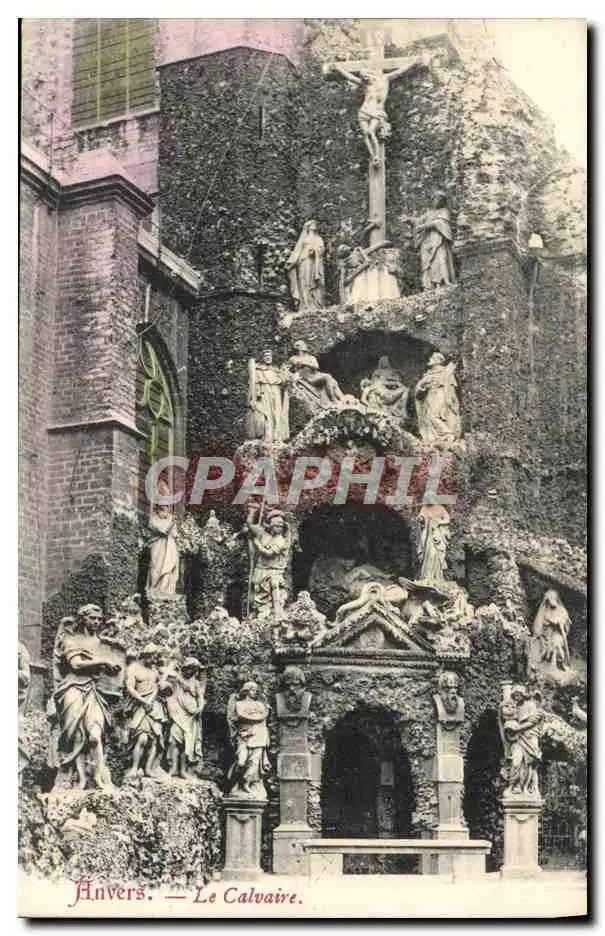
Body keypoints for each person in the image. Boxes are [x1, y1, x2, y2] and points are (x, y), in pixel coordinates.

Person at [51, 604, 121, 790]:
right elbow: (76, 664)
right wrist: (104, 661)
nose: (97, 622)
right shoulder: (70, 639)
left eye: (99, 619)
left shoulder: (102, 643)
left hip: (95, 690)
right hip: (73, 687)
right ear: (83, 619)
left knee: (95, 736)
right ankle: (73, 776)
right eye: (92, 618)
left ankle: (99, 777)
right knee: (74, 732)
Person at [330, 61, 425, 166]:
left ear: (371, 74)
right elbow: (350, 77)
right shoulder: (365, 85)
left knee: (371, 131)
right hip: (364, 111)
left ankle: (377, 156)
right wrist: (339, 68)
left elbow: (399, 72)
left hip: (377, 111)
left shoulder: (385, 79)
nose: (365, 79)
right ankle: (373, 156)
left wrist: (413, 63)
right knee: (365, 134)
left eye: (366, 76)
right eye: (363, 77)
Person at [124, 644, 171, 780]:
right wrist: (143, 701)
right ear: (146, 656)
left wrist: (161, 690)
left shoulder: (154, 670)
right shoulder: (133, 668)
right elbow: (130, 688)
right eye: (153, 657)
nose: (155, 660)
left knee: (155, 740)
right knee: (142, 738)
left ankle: (149, 768)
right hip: (140, 706)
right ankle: (134, 767)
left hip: (155, 707)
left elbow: (158, 686)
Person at [402, 191, 456, 290]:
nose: (436, 201)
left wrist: (424, 226)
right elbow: (418, 221)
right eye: (435, 199)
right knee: (426, 262)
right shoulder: (429, 213)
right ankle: (428, 285)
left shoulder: (444, 211)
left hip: (438, 238)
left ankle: (445, 281)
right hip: (427, 240)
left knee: (440, 259)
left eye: (439, 199)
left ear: (442, 201)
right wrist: (409, 219)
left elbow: (439, 222)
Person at [226, 681, 270, 797]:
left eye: (256, 690)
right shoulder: (239, 704)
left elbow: (264, 717)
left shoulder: (260, 705)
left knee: (254, 763)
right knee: (241, 761)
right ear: (246, 691)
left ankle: (247, 783)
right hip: (244, 736)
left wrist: (253, 717)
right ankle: (236, 782)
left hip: (258, 735)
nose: (255, 692)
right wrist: (257, 717)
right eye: (253, 690)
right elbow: (241, 715)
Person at [246, 508, 291, 619]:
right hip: (261, 567)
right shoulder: (263, 534)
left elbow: (269, 553)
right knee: (256, 586)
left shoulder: (281, 540)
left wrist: (257, 544)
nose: (279, 528)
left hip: (274, 569)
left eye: (281, 526)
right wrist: (252, 511)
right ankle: (257, 610)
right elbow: (250, 524)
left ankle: (276, 611)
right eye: (276, 525)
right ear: (270, 525)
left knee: (274, 585)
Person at [166, 657, 206, 779]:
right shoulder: (177, 679)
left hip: (191, 715)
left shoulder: (196, 683)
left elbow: (200, 698)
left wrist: (200, 708)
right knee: (174, 740)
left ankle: (183, 770)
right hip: (178, 712)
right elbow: (167, 675)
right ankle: (173, 768)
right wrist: (174, 665)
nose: (189, 672)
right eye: (188, 669)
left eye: (192, 670)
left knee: (186, 743)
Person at [414, 352, 462, 443]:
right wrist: (421, 389)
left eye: (432, 358)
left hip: (439, 394)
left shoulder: (445, 372)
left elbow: (450, 386)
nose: (429, 359)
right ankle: (435, 438)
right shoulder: (428, 374)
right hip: (429, 397)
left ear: (438, 361)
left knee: (433, 415)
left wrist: (450, 399)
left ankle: (447, 433)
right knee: (427, 417)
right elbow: (419, 388)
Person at [246, 350, 290, 443]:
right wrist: (256, 395)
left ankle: (277, 437)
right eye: (266, 356)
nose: (268, 357)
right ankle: (267, 436)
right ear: (262, 358)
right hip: (265, 392)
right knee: (267, 414)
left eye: (270, 356)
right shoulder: (258, 369)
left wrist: (285, 375)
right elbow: (254, 383)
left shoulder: (276, 369)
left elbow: (283, 382)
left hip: (276, 391)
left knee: (277, 413)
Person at [288, 340, 346, 407]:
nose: (299, 349)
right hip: (307, 378)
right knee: (327, 377)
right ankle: (333, 400)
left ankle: (342, 398)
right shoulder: (293, 358)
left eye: (299, 346)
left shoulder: (311, 357)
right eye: (297, 347)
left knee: (332, 380)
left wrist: (305, 363)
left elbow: (316, 366)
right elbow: (288, 369)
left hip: (315, 375)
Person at [146, 478, 179, 595]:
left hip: (170, 546)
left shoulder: (170, 518)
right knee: (156, 567)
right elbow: (163, 531)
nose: (166, 507)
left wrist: (173, 526)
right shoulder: (154, 519)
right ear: (159, 505)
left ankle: (165, 591)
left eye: (167, 505)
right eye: (163, 505)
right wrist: (172, 523)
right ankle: (154, 590)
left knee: (168, 567)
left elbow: (175, 534)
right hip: (158, 545)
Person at [286, 221, 326, 310]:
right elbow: (297, 251)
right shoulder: (304, 238)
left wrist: (315, 251)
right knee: (304, 282)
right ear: (308, 227)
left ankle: (314, 305)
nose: (314, 225)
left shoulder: (319, 238)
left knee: (312, 282)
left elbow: (322, 250)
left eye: (315, 224)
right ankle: (305, 304)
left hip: (314, 263)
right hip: (303, 261)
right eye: (312, 224)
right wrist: (292, 262)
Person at [532, 589, 571, 670]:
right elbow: (540, 623)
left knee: (556, 642)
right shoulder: (545, 610)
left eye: (553, 598)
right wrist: (548, 623)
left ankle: (559, 662)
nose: (552, 601)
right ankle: (544, 660)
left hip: (557, 632)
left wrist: (561, 622)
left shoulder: (561, 609)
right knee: (540, 642)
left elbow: (566, 621)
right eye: (550, 599)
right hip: (546, 633)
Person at [418, 503, 451, 581]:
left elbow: (447, 519)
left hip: (437, 534)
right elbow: (421, 518)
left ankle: (436, 576)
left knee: (435, 554)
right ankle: (426, 576)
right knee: (427, 554)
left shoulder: (440, 508)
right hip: (428, 535)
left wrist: (438, 522)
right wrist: (421, 519)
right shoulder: (424, 508)